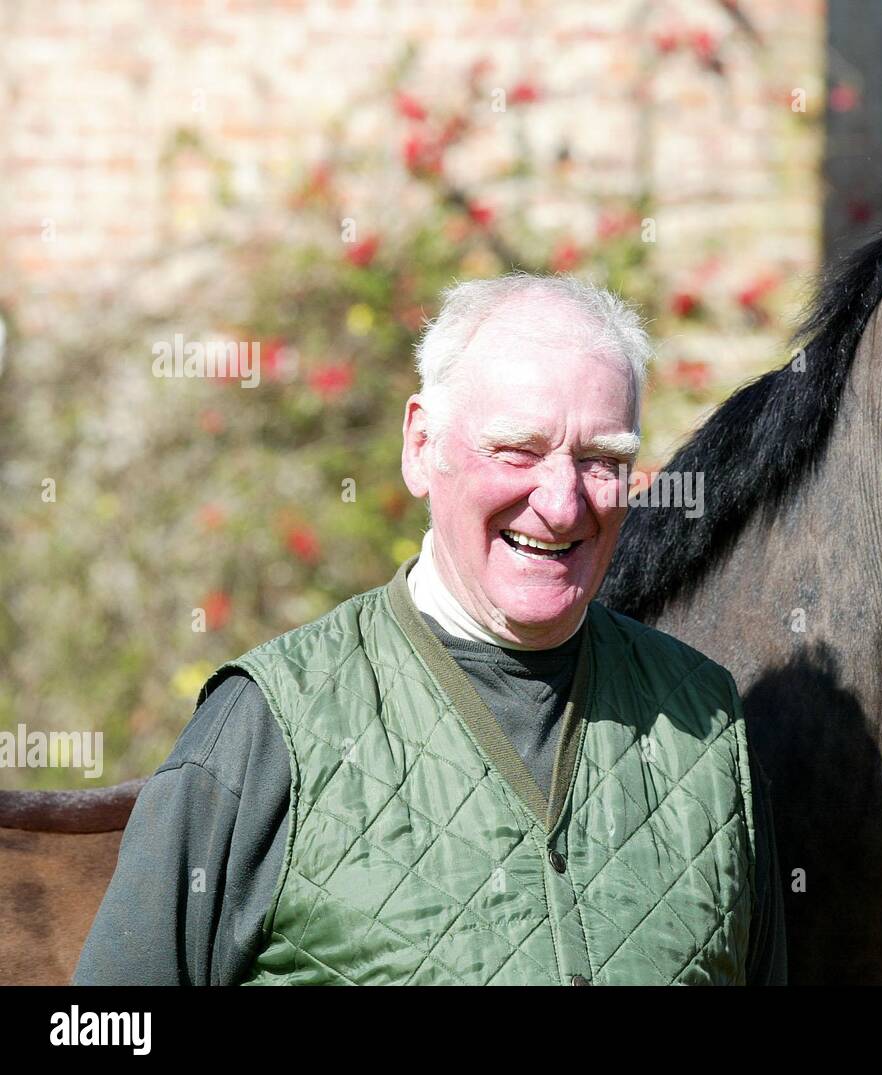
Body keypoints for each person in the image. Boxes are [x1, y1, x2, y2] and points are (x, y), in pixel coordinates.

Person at [74, 272, 786, 985]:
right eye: (517, 450)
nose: (564, 504)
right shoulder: (266, 729)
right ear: (421, 445)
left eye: (603, 460)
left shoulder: (707, 726)